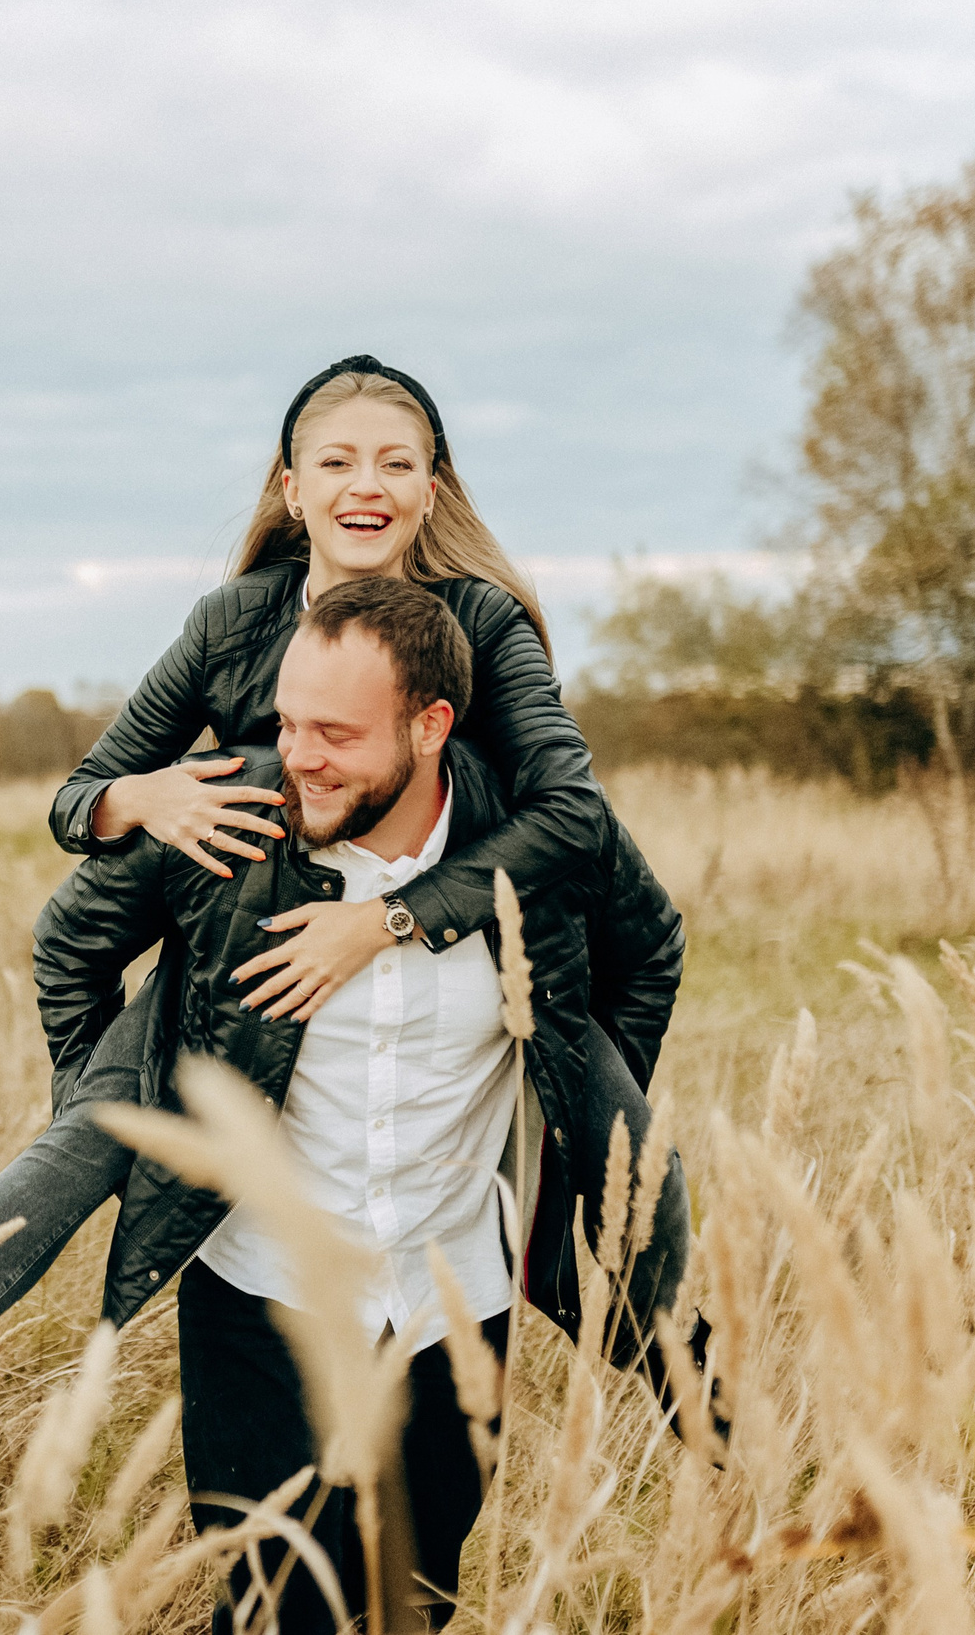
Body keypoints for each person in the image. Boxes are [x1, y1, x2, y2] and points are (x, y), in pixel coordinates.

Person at [0, 356, 690, 1484]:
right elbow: (78, 798)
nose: (363, 483)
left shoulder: (478, 622)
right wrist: (144, 796)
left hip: (457, 921)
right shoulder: (232, 621)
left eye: (395, 461)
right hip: (235, 942)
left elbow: (571, 813)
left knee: (615, 1129)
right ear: (291, 486)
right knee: (92, 1129)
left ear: (435, 488)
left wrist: (389, 924)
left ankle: (675, 1362)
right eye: (336, 460)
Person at [45, 578, 678, 1630]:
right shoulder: (232, 822)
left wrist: (587, 1122)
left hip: (452, 1299)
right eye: (288, 721)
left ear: (431, 726)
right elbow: (68, 948)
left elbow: (649, 951)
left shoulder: (533, 856)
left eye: (334, 731)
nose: (296, 754)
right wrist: (105, 1119)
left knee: (413, 1598)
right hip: (262, 1288)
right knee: (278, 1604)